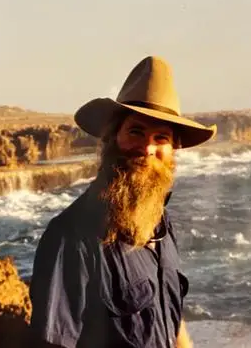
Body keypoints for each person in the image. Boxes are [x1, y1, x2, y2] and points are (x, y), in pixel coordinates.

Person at [28, 56, 217, 348]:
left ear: (173, 150)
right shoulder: (72, 237)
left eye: (161, 137)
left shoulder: (159, 223)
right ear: (113, 137)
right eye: (136, 131)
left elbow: (171, 319)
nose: (148, 148)